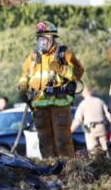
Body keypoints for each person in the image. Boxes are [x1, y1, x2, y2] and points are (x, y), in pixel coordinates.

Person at [17, 20, 84, 159]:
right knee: (44, 140)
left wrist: (61, 68)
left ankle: (67, 169)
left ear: (53, 38)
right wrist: (23, 87)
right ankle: (50, 169)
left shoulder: (64, 54)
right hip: (39, 105)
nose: (42, 42)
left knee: (62, 139)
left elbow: (78, 72)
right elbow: (25, 74)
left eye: (45, 38)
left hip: (60, 103)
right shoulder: (33, 57)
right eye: (39, 38)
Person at [70, 87, 111, 157]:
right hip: (101, 128)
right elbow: (108, 114)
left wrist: (70, 131)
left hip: (90, 130)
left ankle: (95, 164)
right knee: (105, 149)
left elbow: (77, 120)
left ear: (83, 95)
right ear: (91, 92)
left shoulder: (82, 104)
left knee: (92, 151)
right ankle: (107, 164)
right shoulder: (99, 101)